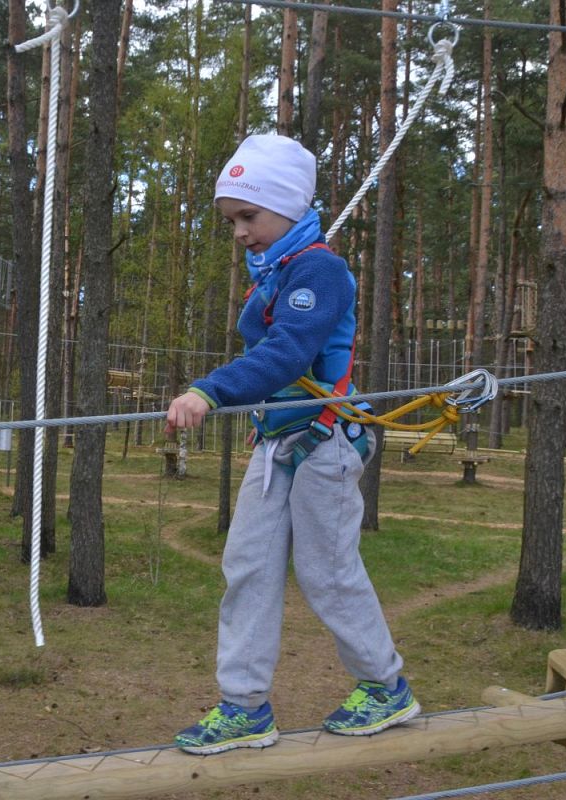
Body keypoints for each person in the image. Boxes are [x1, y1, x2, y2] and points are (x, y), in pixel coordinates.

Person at [167, 133, 419, 755]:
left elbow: (289, 353)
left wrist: (210, 391)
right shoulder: (277, 272)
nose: (239, 232)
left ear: (284, 206)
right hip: (277, 439)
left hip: (326, 440)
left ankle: (385, 686)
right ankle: (244, 706)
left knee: (327, 571)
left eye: (247, 217)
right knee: (247, 567)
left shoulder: (318, 269)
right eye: (232, 220)